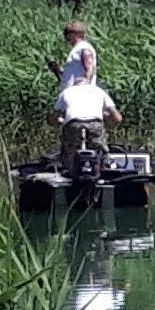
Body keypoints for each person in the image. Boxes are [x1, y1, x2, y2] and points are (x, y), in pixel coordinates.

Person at [54, 20, 114, 187]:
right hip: (73, 98)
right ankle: (76, 168)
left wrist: (86, 84)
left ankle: (95, 167)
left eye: (68, 34)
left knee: (81, 138)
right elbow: (72, 76)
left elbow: (89, 65)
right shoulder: (74, 51)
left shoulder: (83, 47)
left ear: (77, 34)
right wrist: (59, 72)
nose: (66, 37)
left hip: (81, 96)